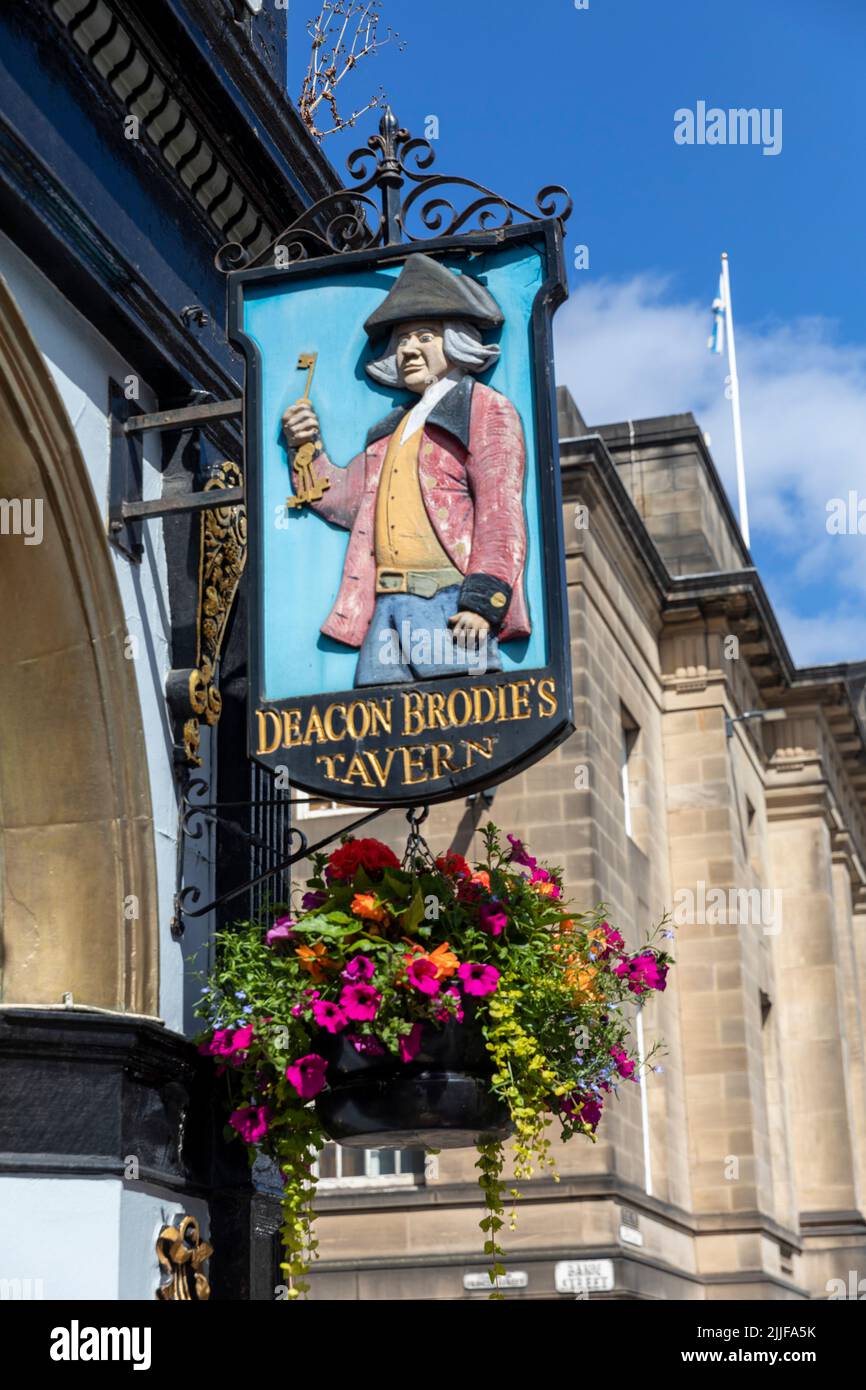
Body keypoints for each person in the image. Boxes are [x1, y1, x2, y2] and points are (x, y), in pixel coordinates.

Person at [282, 253, 530, 687]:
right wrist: (304, 445)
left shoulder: (485, 411)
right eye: (401, 340)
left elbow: (501, 515)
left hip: (450, 605)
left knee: (459, 732)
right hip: (386, 607)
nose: (408, 349)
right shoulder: (390, 431)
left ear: (457, 341)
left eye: (424, 336)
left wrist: (482, 604)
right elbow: (339, 499)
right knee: (381, 739)